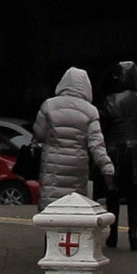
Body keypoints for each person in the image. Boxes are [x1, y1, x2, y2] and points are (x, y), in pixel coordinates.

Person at [32, 66, 114, 212]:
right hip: (77, 169)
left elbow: (39, 134)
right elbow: (97, 145)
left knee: (50, 211)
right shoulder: (90, 111)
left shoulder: (49, 105)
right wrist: (107, 167)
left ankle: (49, 235)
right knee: (72, 209)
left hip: (52, 168)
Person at [101, 61, 137, 252]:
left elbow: (104, 124)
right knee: (134, 194)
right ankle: (133, 233)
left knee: (113, 192)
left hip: (115, 149)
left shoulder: (109, 100)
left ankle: (113, 233)